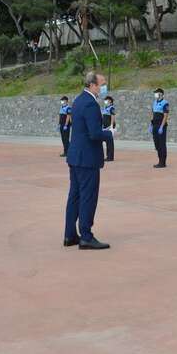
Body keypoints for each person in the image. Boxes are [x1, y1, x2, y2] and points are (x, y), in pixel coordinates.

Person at [64, 71, 114, 250]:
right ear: (93, 85)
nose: (104, 86)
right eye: (102, 83)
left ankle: (70, 235)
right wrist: (110, 134)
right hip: (87, 159)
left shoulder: (78, 100)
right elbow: (94, 133)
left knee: (74, 196)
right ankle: (86, 236)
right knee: (88, 197)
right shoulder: (91, 104)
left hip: (75, 156)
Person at [149, 88, 169, 168]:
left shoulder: (165, 103)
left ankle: (162, 162)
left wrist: (161, 127)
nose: (155, 95)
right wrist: (151, 125)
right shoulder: (154, 102)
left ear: (161, 94)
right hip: (155, 125)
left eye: (156, 93)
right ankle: (159, 159)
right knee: (156, 144)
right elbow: (152, 114)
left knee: (162, 144)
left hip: (161, 126)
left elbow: (165, 116)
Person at [101, 95, 116, 161]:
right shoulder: (105, 108)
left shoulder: (112, 108)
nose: (105, 101)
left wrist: (111, 126)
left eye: (107, 100)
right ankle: (108, 156)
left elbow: (113, 117)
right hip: (104, 127)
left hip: (109, 127)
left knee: (110, 142)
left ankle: (110, 157)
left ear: (110, 101)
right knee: (107, 142)